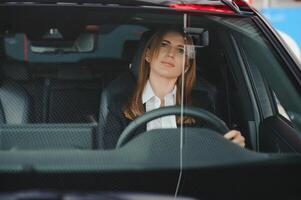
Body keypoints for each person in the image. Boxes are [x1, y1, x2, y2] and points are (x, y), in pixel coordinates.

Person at [100, 28, 245, 149]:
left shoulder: (202, 104)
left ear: (186, 66)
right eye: (164, 45)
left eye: (181, 50)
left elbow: (213, 150)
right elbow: (113, 157)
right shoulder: (120, 103)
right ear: (148, 55)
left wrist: (233, 146)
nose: (171, 54)